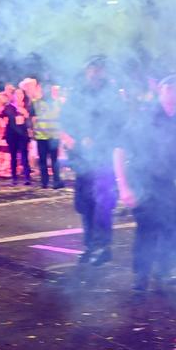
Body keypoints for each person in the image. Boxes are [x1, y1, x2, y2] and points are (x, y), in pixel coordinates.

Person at [114, 75, 176, 294]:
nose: (173, 93)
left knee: (174, 227)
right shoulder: (143, 115)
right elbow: (120, 148)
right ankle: (141, 275)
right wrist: (123, 187)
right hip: (143, 180)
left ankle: (166, 270)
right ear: (160, 90)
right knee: (147, 230)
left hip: (170, 182)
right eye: (169, 88)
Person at [60, 57, 120, 266]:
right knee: (85, 204)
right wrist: (71, 139)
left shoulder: (111, 94)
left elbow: (117, 124)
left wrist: (97, 139)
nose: (94, 72)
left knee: (102, 203)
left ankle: (103, 246)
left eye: (98, 69)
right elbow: (65, 121)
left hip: (103, 156)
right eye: (91, 68)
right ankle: (89, 245)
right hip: (82, 157)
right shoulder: (77, 93)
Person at [31, 79, 65, 189]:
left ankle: (56, 181)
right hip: (41, 136)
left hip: (54, 136)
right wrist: (31, 130)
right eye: (43, 87)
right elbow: (31, 119)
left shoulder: (58, 102)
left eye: (48, 87)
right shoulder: (36, 103)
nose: (46, 90)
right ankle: (44, 182)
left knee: (55, 160)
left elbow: (63, 118)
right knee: (43, 161)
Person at [0, 87, 33, 185]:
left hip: (23, 135)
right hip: (12, 135)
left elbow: (30, 121)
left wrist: (26, 115)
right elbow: (2, 116)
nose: (19, 96)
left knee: (24, 156)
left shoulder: (27, 107)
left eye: (21, 94)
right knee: (13, 157)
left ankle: (27, 178)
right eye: (17, 94)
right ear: (13, 96)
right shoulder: (9, 107)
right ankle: (14, 177)